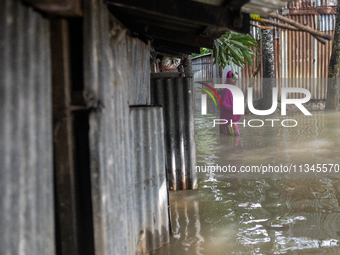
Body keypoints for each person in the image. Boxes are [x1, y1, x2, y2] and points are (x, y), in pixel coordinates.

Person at [220, 71, 242, 136]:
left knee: (234, 139)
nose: (236, 81)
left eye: (237, 79)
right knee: (234, 139)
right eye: (233, 79)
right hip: (229, 120)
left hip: (232, 118)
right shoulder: (227, 89)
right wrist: (233, 108)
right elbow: (223, 104)